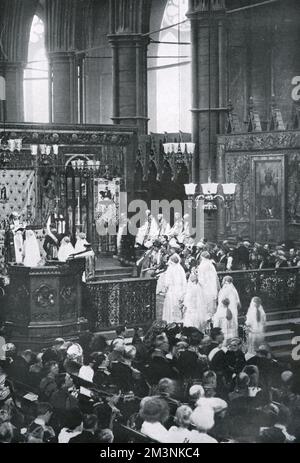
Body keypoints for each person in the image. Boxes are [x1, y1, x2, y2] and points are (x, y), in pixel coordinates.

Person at [162, 254, 187, 323]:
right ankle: (176, 320)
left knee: (173, 304)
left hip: (173, 289)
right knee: (177, 304)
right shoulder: (180, 268)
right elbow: (184, 281)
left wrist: (166, 289)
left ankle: (171, 320)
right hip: (179, 289)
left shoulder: (170, 269)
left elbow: (167, 281)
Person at [183, 265, 208, 331]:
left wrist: (185, 306)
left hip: (192, 308)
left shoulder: (192, 289)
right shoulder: (199, 288)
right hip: (197, 308)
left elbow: (188, 300)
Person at [197, 251, 220, 319]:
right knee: (212, 305)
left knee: (205, 305)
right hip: (212, 287)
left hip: (205, 287)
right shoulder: (211, 265)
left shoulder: (202, 266)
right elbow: (215, 277)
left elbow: (201, 279)